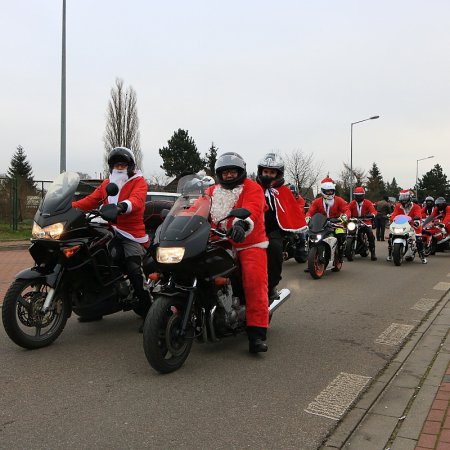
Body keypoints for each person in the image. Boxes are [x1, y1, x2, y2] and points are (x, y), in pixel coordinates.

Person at [72, 147, 152, 322]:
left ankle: (149, 312)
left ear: (130, 166)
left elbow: (137, 201)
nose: (120, 167)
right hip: (109, 229)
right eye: (117, 164)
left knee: (133, 267)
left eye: (123, 164)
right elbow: (91, 200)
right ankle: (92, 308)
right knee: (90, 257)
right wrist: (68, 208)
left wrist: (122, 206)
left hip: (131, 233)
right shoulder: (107, 183)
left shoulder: (139, 181)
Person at [207, 152, 269, 353]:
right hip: (217, 240)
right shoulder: (211, 191)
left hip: (249, 242)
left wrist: (242, 225)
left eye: (233, 171)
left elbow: (253, 208)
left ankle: (257, 335)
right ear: (219, 174)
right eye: (225, 172)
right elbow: (195, 208)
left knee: (254, 280)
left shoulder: (252, 188)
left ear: (241, 172)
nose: (229, 175)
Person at [256, 153, 307, 300]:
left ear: (278, 174)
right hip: (253, 230)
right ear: (261, 172)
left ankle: (271, 285)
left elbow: (292, 210)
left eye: (272, 172)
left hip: (273, 230)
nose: (268, 175)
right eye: (266, 172)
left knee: (274, 248)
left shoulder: (284, 191)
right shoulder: (253, 188)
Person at [306, 177, 350, 261]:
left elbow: (346, 209)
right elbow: (310, 211)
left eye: (331, 191)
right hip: (321, 224)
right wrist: (308, 217)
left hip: (336, 223)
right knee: (311, 238)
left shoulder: (339, 200)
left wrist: (345, 216)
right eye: (327, 191)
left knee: (340, 235)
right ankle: (311, 259)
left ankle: (340, 256)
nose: (329, 193)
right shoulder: (317, 201)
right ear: (323, 191)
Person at [387, 189, 427, 263]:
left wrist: (416, 222)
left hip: (413, 226)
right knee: (391, 235)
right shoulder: (398, 206)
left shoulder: (416, 207)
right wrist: (392, 219)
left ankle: (422, 256)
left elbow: (418, 215)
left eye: (405, 197)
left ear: (410, 198)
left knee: (419, 239)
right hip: (401, 225)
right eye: (402, 197)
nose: (403, 200)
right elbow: (394, 215)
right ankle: (390, 254)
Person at [348, 186, 377, 260]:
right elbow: (347, 210)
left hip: (365, 221)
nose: (358, 197)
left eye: (359, 195)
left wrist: (372, 215)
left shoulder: (368, 202)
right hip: (354, 221)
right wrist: (346, 216)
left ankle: (373, 252)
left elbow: (373, 211)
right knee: (348, 231)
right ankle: (347, 249)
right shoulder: (352, 203)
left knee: (370, 233)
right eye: (356, 195)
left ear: (363, 195)